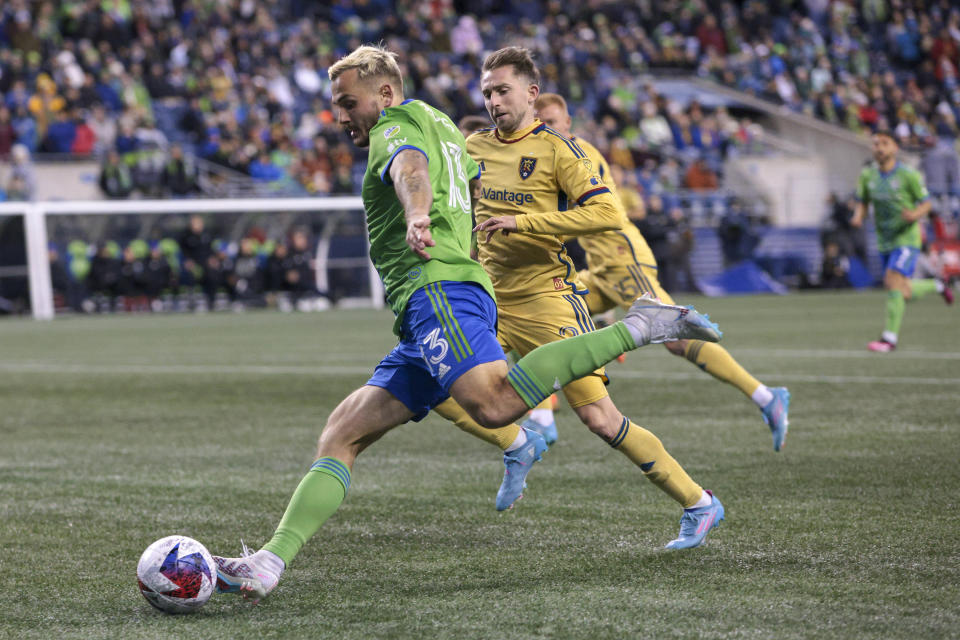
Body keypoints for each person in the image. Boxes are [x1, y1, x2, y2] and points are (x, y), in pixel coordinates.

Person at [213, 44, 723, 603]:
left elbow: (409, 167)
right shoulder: (448, 127)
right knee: (341, 434)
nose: (340, 117)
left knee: (499, 404)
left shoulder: (397, 125)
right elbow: (461, 179)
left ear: (384, 94)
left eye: (346, 102)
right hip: (441, 302)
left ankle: (642, 327)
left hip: (446, 291)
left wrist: (415, 213)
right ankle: (268, 561)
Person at [466, 45, 725, 546]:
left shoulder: (562, 151)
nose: (494, 100)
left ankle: (699, 502)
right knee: (440, 382)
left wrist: (525, 222)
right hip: (489, 300)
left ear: (531, 94)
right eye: (487, 92)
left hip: (548, 300)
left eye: (502, 90)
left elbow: (606, 213)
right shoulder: (474, 148)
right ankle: (518, 442)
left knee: (600, 419)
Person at [532, 92, 790, 451]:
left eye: (551, 122)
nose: (544, 128)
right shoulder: (550, 155)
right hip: (602, 268)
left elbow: (594, 216)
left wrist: (532, 226)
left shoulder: (578, 156)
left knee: (677, 339)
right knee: (546, 314)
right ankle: (543, 416)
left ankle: (765, 396)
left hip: (623, 259)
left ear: (568, 124)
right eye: (539, 122)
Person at [851, 130, 953, 352]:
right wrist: (858, 216)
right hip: (884, 240)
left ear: (895, 148)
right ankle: (936, 284)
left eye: (884, 143)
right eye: (876, 143)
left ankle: (889, 339)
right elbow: (862, 200)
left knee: (892, 280)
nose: (879, 147)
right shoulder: (868, 175)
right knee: (903, 290)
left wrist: (915, 215)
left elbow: (926, 203)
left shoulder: (909, 175)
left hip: (907, 238)